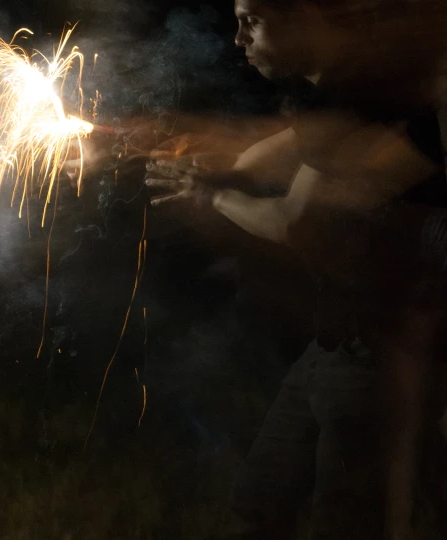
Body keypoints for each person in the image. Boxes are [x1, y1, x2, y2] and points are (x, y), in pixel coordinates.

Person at [145, 0, 447, 538]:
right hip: (334, 342)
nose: (238, 38)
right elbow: (269, 149)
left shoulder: (375, 100)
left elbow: (292, 222)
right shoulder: (343, 90)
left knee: (347, 523)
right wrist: (199, 163)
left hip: (379, 352)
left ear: (308, 15)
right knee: (259, 506)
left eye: (252, 19)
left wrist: (208, 196)